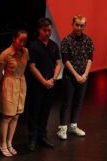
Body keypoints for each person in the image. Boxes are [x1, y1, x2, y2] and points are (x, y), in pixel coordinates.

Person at [26, 18, 62, 151]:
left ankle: (42, 136)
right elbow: (32, 67)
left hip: (50, 84)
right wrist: (44, 81)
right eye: (45, 30)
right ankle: (32, 138)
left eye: (49, 30)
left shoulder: (53, 45)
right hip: (37, 85)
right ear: (39, 30)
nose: (48, 32)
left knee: (46, 111)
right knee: (34, 112)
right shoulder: (33, 46)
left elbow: (58, 63)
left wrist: (53, 79)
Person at [57, 15, 94, 140]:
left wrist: (85, 74)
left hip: (83, 76)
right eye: (77, 25)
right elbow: (66, 60)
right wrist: (76, 75)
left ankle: (73, 126)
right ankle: (62, 128)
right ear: (72, 24)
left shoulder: (88, 40)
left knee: (78, 101)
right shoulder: (66, 40)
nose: (79, 27)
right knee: (66, 102)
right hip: (70, 76)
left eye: (82, 25)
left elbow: (90, 59)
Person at [0, 30, 29, 157]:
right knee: (7, 116)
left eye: (24, 41)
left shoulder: (26, 52)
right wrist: (2, 84)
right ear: (14, 38)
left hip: (21, 83)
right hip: (9, 83)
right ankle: (2, 143)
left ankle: (9, 142)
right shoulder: (6, 54)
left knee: (16, 115)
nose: (22, 43)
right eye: (20, 40)